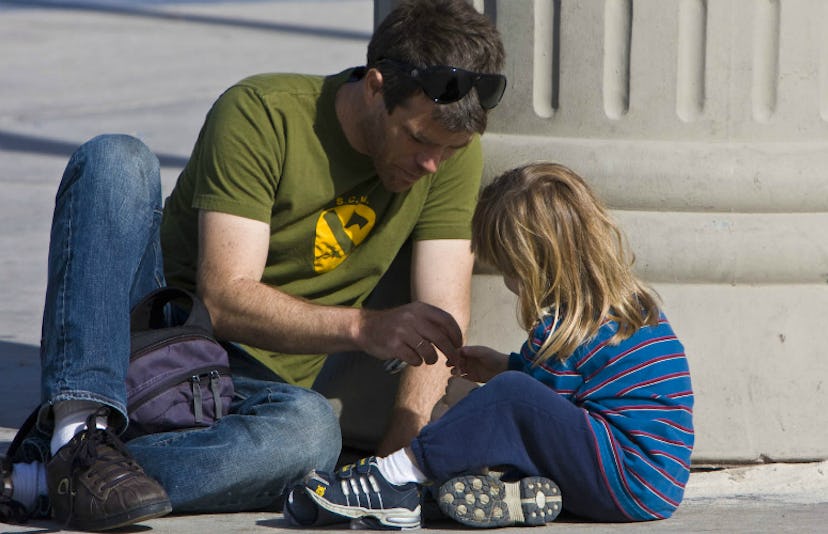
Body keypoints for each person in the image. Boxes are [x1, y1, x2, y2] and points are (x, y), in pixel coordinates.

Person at [0, 0, 506, 530]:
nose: (432, 164)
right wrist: (363, 327)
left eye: (449, 150)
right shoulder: (263, 112)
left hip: (248, 393)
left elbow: (441, 320)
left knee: (310, 435)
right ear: (376, 87)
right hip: (160, 344)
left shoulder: (447, 157)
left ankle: (54, 477)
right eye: (420, 140)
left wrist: (397, 468)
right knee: (116, 159)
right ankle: (80, 425)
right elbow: (225, 299)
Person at [288, 162, 695, 529]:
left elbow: (532, 409)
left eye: (509, 269)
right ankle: (506, 494)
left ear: (533, 265)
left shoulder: (568, 329)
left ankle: (394, 478)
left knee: (504, 398)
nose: (508, 283)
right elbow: (558, 412)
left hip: (623, 476)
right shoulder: (630, 311)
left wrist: (490, 390)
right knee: (508, 393)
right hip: (650, 484)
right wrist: (505, 367)